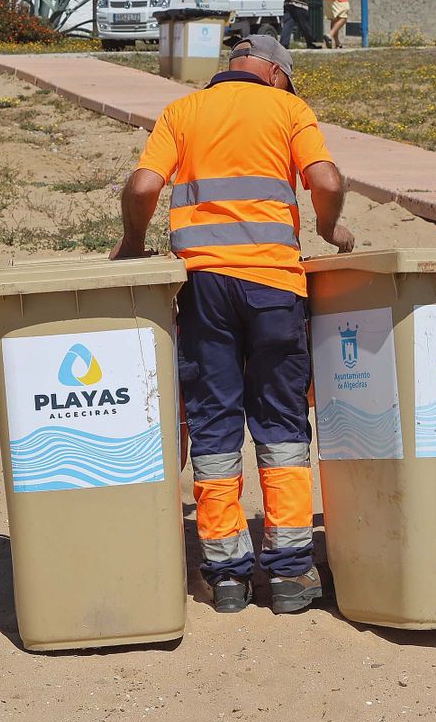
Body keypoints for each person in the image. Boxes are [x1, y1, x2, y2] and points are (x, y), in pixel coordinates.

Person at [112, 34, 356, 614]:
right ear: (275, 73)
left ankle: (226, 576)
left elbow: (144, 185)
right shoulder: (288, 109)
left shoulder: (182, 110)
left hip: (202, 289)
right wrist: (330, 229)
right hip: (274, 287)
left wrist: (131, 241)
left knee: (214, 423)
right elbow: (326, 181)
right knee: (283, 419)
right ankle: (293, 572)